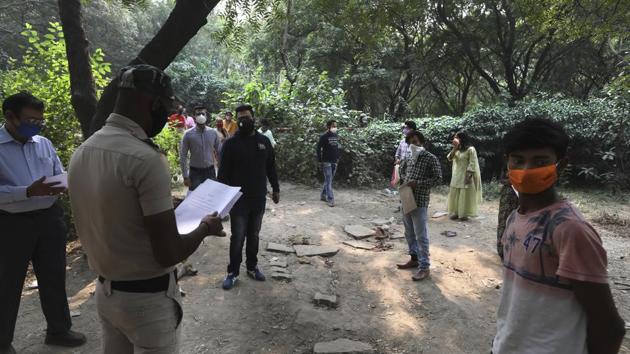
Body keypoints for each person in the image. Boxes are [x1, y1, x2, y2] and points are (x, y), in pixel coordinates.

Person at [68, 64, 225, 354]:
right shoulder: (144, 158)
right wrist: (205, 228)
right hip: (147, 302)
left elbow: (116, 207)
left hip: (106, 293)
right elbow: (169, 252)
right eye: (165, 109)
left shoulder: (84, 151)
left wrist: (166, 205)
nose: (166, 117)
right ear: (152, 104)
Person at [492, 118, 626, 354]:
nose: (526, 171)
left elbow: (609, 326)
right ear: (507, 163)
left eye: (540, 162)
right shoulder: (515, 218)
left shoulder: (570, 230)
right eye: (518, 160)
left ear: (561, 165)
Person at [0, 92, 86, 354]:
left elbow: (57, 172)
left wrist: (61, 184)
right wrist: (26, 191)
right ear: (10, 117)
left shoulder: (43, 143)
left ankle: (59, 330)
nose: (35, 126)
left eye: (40, 121)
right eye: (30, 120)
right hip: (11, 223)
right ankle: (2, 341)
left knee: (54, 276)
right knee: (7, 282)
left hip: (49, 217)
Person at [219, 104, 280, 290]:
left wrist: (275, 189)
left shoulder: (264, 142)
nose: (244, 120)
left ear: (254, 118)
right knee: (237, 237)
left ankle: (252, 267)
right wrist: (221, 202)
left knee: (254, 235)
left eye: (247, 117)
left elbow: (271, 167)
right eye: (241, 117)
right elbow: (222, 175)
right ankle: (233, 272)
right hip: (238, 200)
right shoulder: (230, 144)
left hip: (258, 198)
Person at [396, 131, 442, 281]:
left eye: (416, 141)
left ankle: (424, 267)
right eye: (410, 142)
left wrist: (418, 184)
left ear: (422, 142)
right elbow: (402, 172)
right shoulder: (408, 157)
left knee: (421, 235)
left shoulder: (430, 158)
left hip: (420, 201)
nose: (413, 144)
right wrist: (404, 184)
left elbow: (438, 179)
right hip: (407, 198)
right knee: (409, 232)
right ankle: (414, 258)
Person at [180, 111, 221, 191]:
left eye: (203, 114)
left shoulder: (213, 133)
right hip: (195, 172)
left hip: (210, 171)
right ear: (194, 117)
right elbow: (183, 155)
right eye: (198, 114)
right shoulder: (188, 134)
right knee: (195, 198)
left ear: (206, 116)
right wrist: (185, 176)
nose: (201, 116)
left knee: (212, 196)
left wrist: (221, 171)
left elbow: (219, 152)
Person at [446, 131, 482, 221]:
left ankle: (463, 214)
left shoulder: (470, 149)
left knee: (464, 194)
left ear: (462, 139)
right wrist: (455, 148)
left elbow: (472, 163)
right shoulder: (457, 149)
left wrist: (469, 175)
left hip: (466, 174)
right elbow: (449, 158)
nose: (455, 139)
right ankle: (456, 212)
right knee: (455, 193)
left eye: (457, 137)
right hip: (456, 175)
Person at [316, 120, 340, 207]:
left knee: (328, 180)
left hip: (334, 161)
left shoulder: (335, 135)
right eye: (333, 126)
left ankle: (323, 195)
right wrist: (320, 161)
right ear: (328, 127)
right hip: (326, 162)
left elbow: (336, 148)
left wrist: (337, 158)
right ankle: (330, 199)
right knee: (329, 181)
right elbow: (318, 149)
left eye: (335, 126)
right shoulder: (323, 136)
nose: (335, 128)